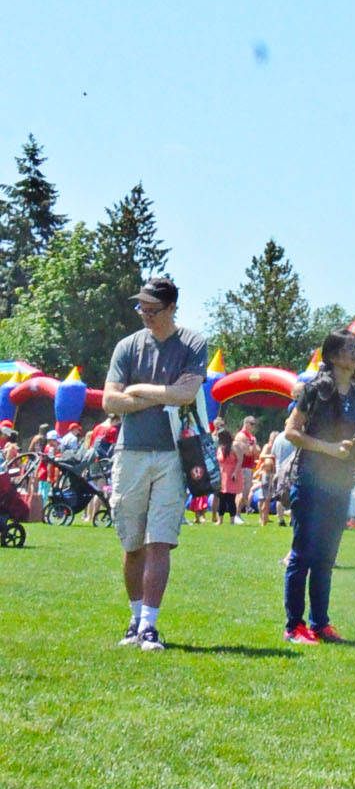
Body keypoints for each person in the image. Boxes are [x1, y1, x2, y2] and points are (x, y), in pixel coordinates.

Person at [102, 276, 209, 653]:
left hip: (172, 455)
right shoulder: (127, 347)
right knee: (132, 545)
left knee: (159, 541)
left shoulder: (193, 343)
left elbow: (185, 394)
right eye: (141, 308)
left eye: (152, 309)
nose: (145, 314)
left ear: (172, 308)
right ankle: (134, 619)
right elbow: (109, 402)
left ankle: (149, 625)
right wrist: (160, 396)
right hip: (130, 451)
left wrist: (139, 389)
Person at [281, 331, 355, 644]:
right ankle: (294, 626)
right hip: (310, 479)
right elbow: (291, 432)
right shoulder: (314, 390)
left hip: (340, 482)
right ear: (331, 356)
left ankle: (320, 624)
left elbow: (350, 434)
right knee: (302, 555)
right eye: (348, 348)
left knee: (326, 557)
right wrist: (329, 448)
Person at [233, 416, 260, 526]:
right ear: (246, 423)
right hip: (242, 466)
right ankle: (236, 515)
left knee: (246, 492)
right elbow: (247, 452)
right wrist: (252, 447)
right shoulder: (241, 436)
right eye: (252, 424)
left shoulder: (251, 437)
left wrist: (253, 447)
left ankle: (239, 514)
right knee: (241, 490)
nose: (253, 427)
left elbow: (257, 451)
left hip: (249, 467)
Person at [213, 426, 239, 524]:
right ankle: (220, 519)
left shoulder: (233, 447)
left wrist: (236, 472)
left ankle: (232, 520)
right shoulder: (220, 448)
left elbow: (238, 460)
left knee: (231, 498)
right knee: (222, 498)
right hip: (221, 475)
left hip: (231, 474)